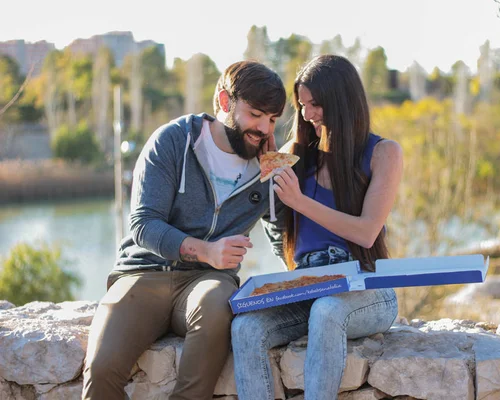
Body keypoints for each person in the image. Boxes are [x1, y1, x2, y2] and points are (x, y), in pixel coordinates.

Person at [82, 60, 286, 400]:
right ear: (225, 102)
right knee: (101, 372)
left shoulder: (268, 166)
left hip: (209, 281)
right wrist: (206, 250)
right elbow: (144, 224)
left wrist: (306, 281)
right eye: (256, 114)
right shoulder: (174, 140)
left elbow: (281, 239)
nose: (264, 129)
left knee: (218, 302)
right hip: (143, 274)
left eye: (273, 119)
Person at [231, 54, 403, 400]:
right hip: (309, 285)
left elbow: (366, 231)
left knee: (327, 311)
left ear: (341, 100)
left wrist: (300, 201)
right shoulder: (297, 154)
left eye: (316, 104)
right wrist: (265, 167)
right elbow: (272, 224)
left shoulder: (383, 153)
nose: (307, 114)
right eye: (303, 105)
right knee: (246, 327)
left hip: (365, 288)